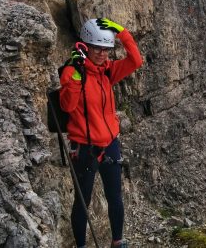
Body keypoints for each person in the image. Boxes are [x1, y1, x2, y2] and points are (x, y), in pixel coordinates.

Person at [59, 18, 143, 248]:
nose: (103, 54)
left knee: (115, 197)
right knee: (82, 202)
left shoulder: (107, 72)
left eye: (106, 49)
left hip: (110, 143)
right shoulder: (72, 72)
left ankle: (117, 242)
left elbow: (136, 60)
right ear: (85, 46)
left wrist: (121, 32)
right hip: (84, 147)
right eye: (97, 48)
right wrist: (76, 75)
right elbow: (66, 106)